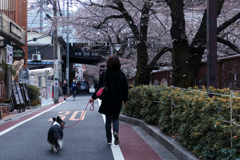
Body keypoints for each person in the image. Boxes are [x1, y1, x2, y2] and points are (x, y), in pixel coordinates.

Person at [89, 55, 128, 145]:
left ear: (108, 63)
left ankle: (109, 139)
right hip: (117, 100)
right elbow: (125, 88)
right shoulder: (122, 75)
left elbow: (99, 88)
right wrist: (125, 99)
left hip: (107, 100)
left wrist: (93, 97)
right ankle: (116, 132)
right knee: (115, 118)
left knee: (107, 119)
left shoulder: (105, 74)